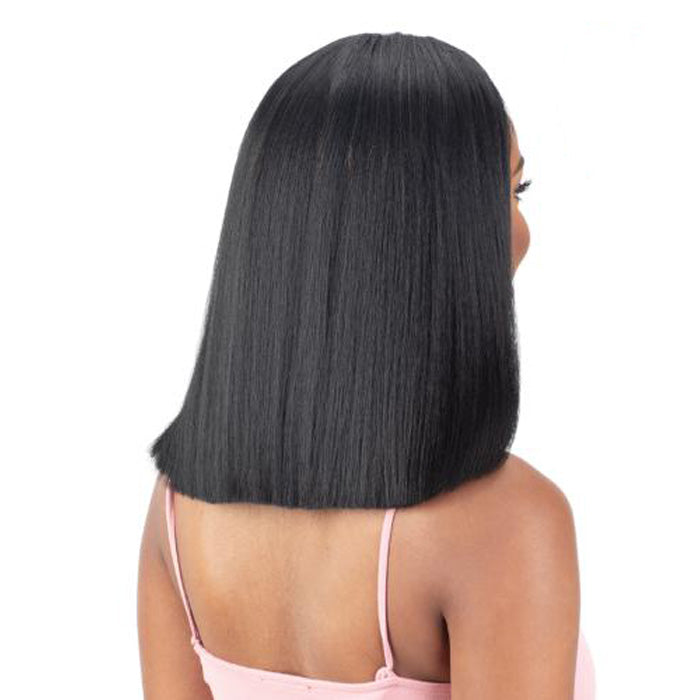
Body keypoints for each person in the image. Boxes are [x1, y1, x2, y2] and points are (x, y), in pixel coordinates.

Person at [138, 32, 595, 699]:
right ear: (432, 225)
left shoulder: (180, 509)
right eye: (504, 191)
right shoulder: (505, 521)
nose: (520, 232)